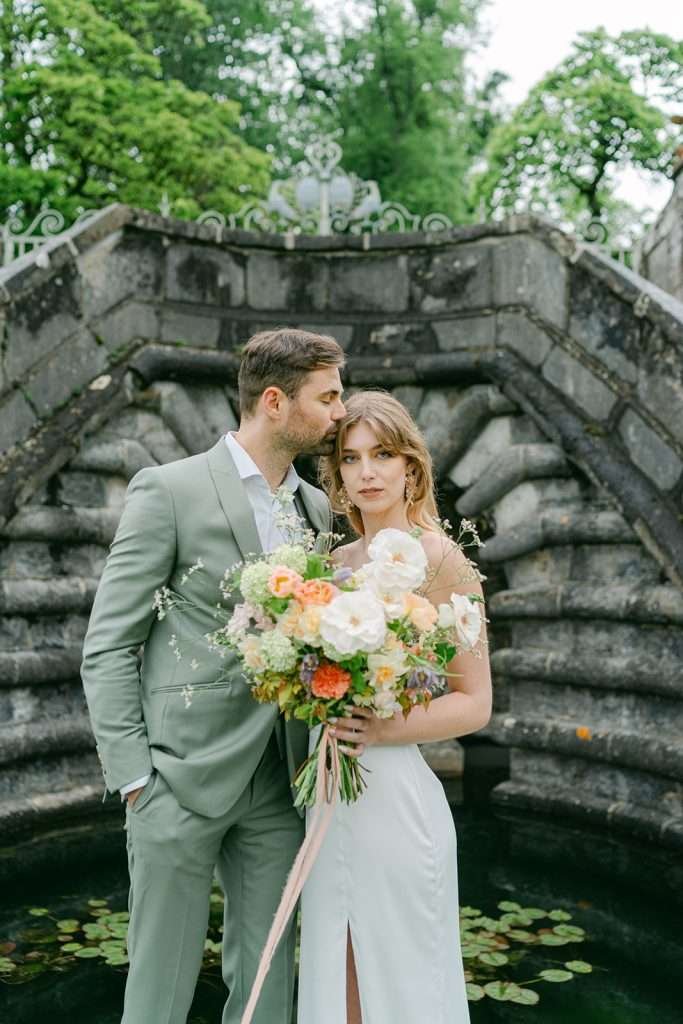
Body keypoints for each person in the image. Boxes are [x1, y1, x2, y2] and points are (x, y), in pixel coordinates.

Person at [80, 328, 346, 1024]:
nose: (339, 413)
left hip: (277, 778)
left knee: (266, 984)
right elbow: (108, 644)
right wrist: (134, 775)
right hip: (177, 774)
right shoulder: (168, 490)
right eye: (328, 397)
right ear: (273, 401)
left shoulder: (314, 510)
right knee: (159, 988)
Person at [297, 390, 492, 1024]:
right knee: (339, 971)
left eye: (382, 454)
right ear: (339, 476)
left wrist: (382, 727)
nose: (367, 471)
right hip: (331, 796)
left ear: (411, 467)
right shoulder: (331, 567)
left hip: (397, 802)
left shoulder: (443, 560)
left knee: (405, 981)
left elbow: (475, 703)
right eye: (351, 459)